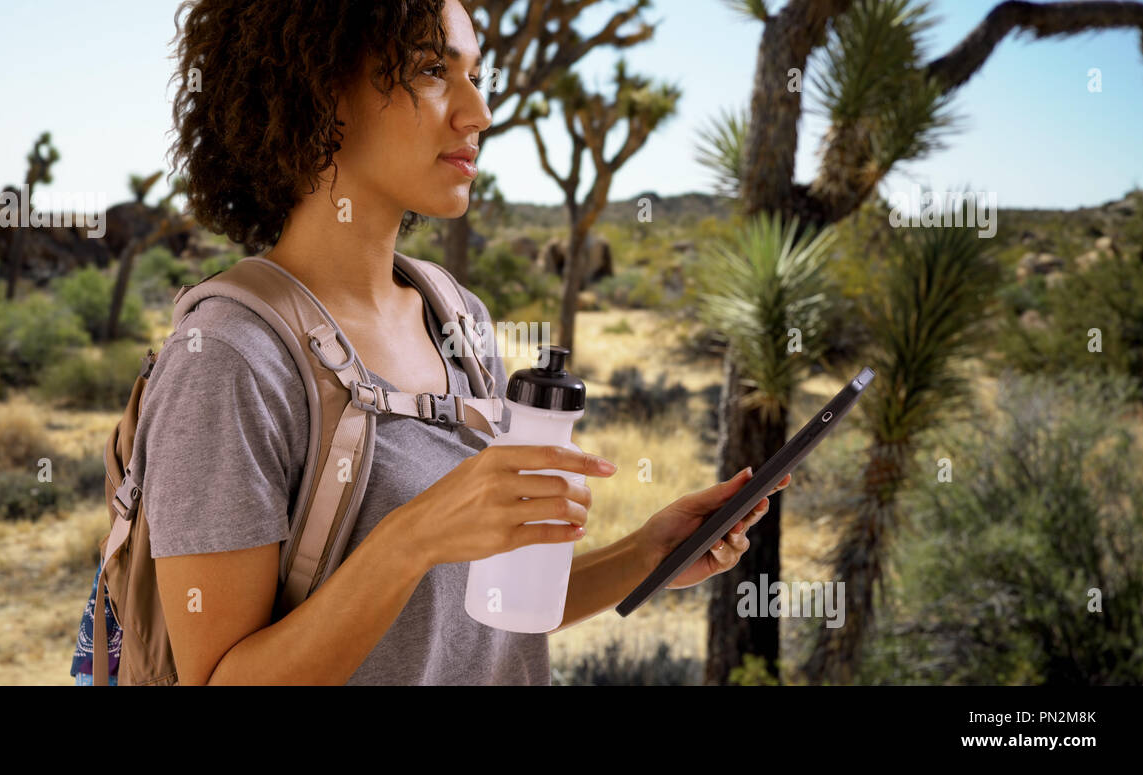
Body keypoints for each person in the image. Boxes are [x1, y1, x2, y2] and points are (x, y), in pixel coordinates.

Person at [129, 0, 789, 685]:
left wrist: (646, 554)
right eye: (432, 70)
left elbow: (480, 609)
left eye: (476, 74)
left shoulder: (458, 320)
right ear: (319, 85)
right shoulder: (230, 357)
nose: (479, 112)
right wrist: (413, 537)